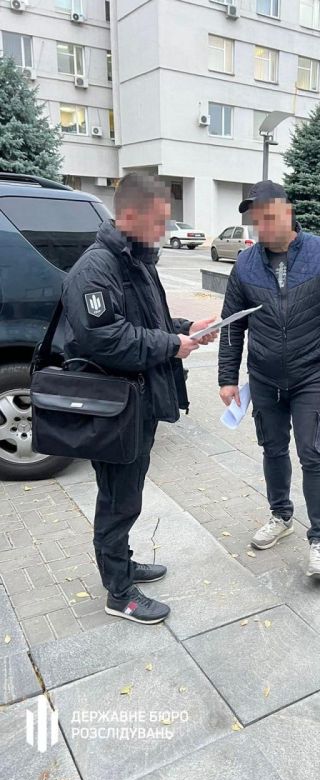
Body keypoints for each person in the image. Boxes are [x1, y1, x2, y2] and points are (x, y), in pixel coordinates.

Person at [62, 173, 217, 624]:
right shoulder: (96, 268)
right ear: (129, 216)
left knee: (126, 494)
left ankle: (123, 564)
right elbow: (104, 339)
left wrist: (186, 330)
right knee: (118, 499)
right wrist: (171, 345)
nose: (164, 231)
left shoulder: (136, 260)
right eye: (158, 222)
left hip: (137, 403)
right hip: (114, 406)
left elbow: (150, 320)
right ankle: (119, 592)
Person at [218, 181, 320, 579]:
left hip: (311, 374)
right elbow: (232, 325)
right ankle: (281, 516)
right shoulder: (246, 264)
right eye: (256, 219)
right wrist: (227, 377)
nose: (261, 226)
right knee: (272, 449)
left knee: (313, 455)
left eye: (268, 217)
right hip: (264, 377)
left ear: (288, 212)